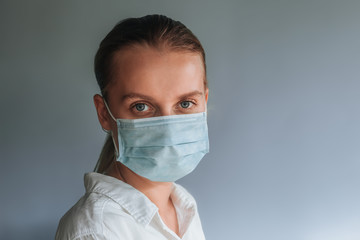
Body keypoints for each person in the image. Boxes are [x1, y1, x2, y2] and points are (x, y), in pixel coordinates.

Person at [55, 14, 209, 240]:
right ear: (104, 113)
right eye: (141, 106)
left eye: (185, 103)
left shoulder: (183, 205)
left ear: (204, 101)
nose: (167, 129)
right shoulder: (97, 231)